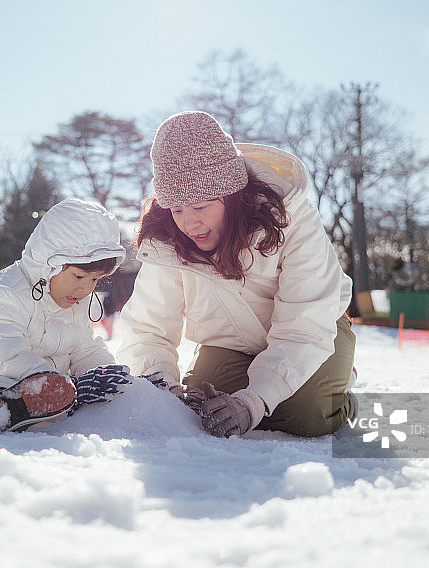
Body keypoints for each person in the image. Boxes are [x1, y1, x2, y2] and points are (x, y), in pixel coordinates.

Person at [116, 111, 356, 439]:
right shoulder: (167, 239)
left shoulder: (293, 217)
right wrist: (165, 390)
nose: (189, 223)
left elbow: (305, 326)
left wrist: (252, 402)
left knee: (307, 414)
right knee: (201, 406)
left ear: (231, 196)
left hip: (314, 330)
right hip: (230, 341)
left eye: (201, 206)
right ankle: (290, 385)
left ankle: (336, 389)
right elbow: (148, 329)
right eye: (177, 209)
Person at [0, 199, 137, 432]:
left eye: (95, 279)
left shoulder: (75, 301)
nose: (85, 289)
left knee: (84, 385)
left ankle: (46, 403)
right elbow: (2, 349)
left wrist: (103, 373)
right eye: (78, 277)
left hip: (52, 384)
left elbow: (85, 348)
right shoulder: (5, 293)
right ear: (50, 265)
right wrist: (46, 380)